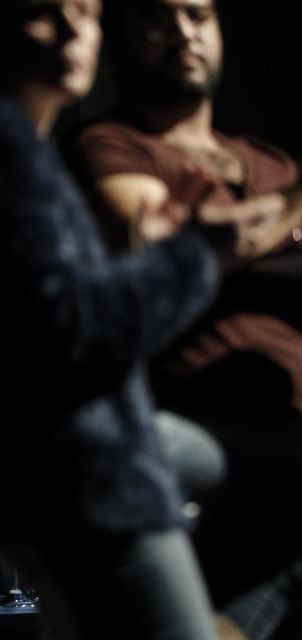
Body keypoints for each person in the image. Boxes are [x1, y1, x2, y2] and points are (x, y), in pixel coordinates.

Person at [0, 1, 251, 637]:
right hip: (82, 478)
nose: (76, 30)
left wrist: (140, 256)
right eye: (46, 11)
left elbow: (37, 317)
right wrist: (197, 254)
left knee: (251, 469)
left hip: (55, 462)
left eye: (89, 12)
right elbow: (79, 330)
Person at [70, 0, 302, 635]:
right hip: (201, 427)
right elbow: (161, 243)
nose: (183, 33)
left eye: (198, 15)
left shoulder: (271, 164)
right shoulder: (113, 145)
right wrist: (280, 226)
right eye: (158, 18)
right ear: (120, 39)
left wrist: (252, 237)